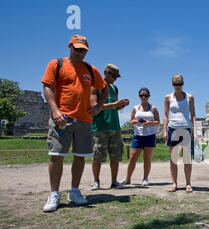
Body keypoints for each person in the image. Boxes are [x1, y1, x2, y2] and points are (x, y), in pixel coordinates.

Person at [41, 35, 108, 212]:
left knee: (80, 156)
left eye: (84, 50)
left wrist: (98, 107)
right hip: (62, 119)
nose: (81, 53)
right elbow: (48, 87)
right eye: (77, 49)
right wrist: (55, 110)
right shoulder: (56, 64)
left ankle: (74, 191)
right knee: (57, 155)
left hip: (85, 120)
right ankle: (54, 193)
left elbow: (105, 88)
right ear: (69, 47)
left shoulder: (90, 69)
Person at [90, 64, 130, 190]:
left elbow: (115, 106)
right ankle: (96, 182)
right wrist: (115, 104)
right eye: (114, 76)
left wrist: (121, 105)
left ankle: (114, 181)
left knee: (116, 155)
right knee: (98, 156)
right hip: (100, 127)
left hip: (115, 126)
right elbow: (95, 107)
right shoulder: (95, 86)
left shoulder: (114, 88)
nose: (115, 79)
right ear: (106, 72)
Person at [163, 74, 197, 193]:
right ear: (172, 84)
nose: (177, 86)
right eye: (175, 84)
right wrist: (164, 130)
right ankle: (174, 183)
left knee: (187, 159)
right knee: (173, 159)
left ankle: (188, 183)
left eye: (179, 84)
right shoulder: (168, 97)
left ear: (183, 84)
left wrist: (195, 132)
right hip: (172, 128)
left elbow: (193, 115)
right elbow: (166, 115)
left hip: (186, 128)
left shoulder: (190, 97)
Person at [119, 88, 160, 186]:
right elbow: (131, 120)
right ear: (139, 97)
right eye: (142, 95)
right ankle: (128, 178)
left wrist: (150, 122)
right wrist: (137, 121)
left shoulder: (153, 108)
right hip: (138, 135)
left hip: (150, 135)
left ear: (149, 96)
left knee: (147, 159)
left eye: (145, 95)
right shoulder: (135, 108)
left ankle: (145, 178)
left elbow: (158, 121)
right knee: (132, 158)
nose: (144, 97)